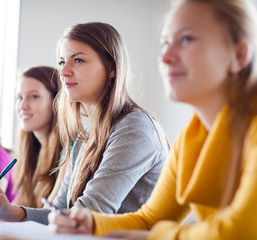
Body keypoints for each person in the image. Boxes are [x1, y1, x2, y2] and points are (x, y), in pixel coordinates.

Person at [48, 0, 257, 239]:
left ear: (239, 55)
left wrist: (154, 236)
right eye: (165, 43)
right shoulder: (193, 138)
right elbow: (148, 220)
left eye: (187, 39)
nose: (165, 56)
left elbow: (239, 232)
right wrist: (91, 224)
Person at [0, 22, 169, 225]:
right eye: (62, 62)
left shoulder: (135, 127)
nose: (63, 72)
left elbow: (91, 213)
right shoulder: (83, 135)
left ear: (111, 68)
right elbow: (60, 212)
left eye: (78, 60)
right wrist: (12, 212)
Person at [11, 66, 66, 208]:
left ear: (56, 101)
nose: (22, 106)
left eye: (34, 96)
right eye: (19, 97)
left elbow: (47, 213)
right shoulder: (29, 154)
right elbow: (18, 210)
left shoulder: (70, 150)